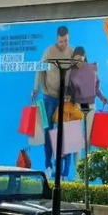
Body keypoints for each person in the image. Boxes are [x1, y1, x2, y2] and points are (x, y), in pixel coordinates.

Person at [32, 25, 74, 179]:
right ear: (57, 39)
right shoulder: (49, 51)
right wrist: (36, 88)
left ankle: (62, 170)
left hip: (65, 99)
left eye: (66, 41)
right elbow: (40, 70)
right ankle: (48, 165)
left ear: (68, 38)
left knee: (65, 133)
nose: (63, 44)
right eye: (61, 41)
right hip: (49, 96)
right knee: (48, 131)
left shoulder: (72, 52)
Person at [66, 46, 108, 173]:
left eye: (80, 59)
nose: (78, 62)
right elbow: (69, 90)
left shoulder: (92, 69)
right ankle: (77, 169)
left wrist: (102, 97)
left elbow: (96, 88)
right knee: (76, 139)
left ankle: (86, 167)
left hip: (90, 106)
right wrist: (68, 97)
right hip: (78, 106)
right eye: (76, 60)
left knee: (88, 136)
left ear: (84, 57)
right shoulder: (71, 72)